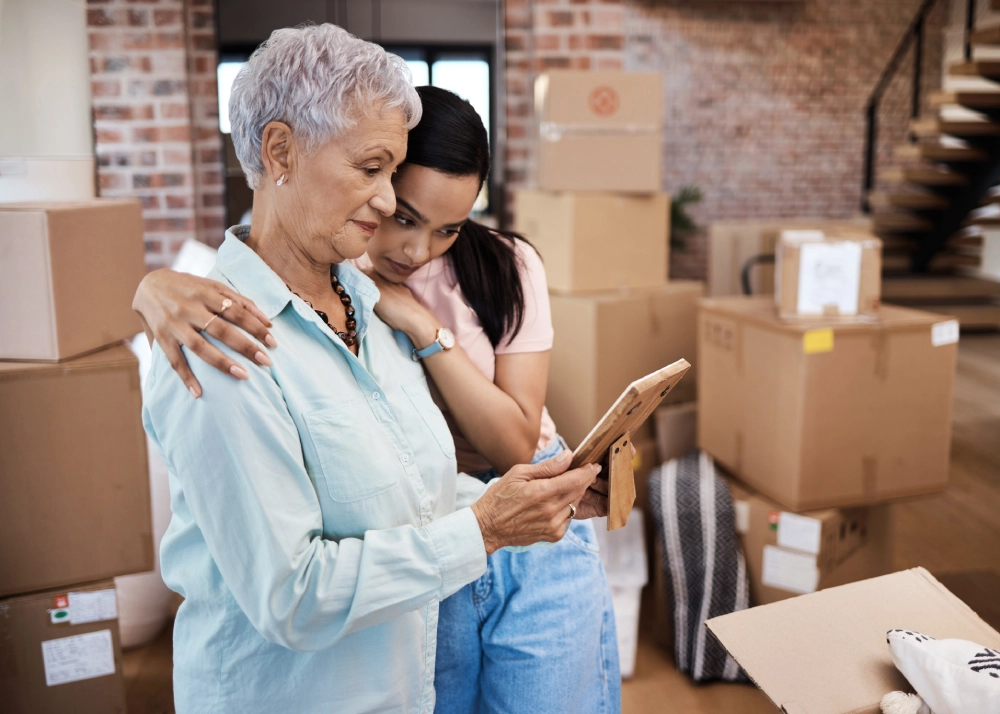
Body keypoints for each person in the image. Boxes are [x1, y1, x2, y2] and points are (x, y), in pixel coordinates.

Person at [138, 24, 606, 714]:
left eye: (392, 174)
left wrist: (520, 499)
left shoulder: (363, 304)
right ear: (280, 152)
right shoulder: (220, 340)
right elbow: (292, 595)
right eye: (371, 170)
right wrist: (483, 528)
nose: (387, 203)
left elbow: (405, 489)